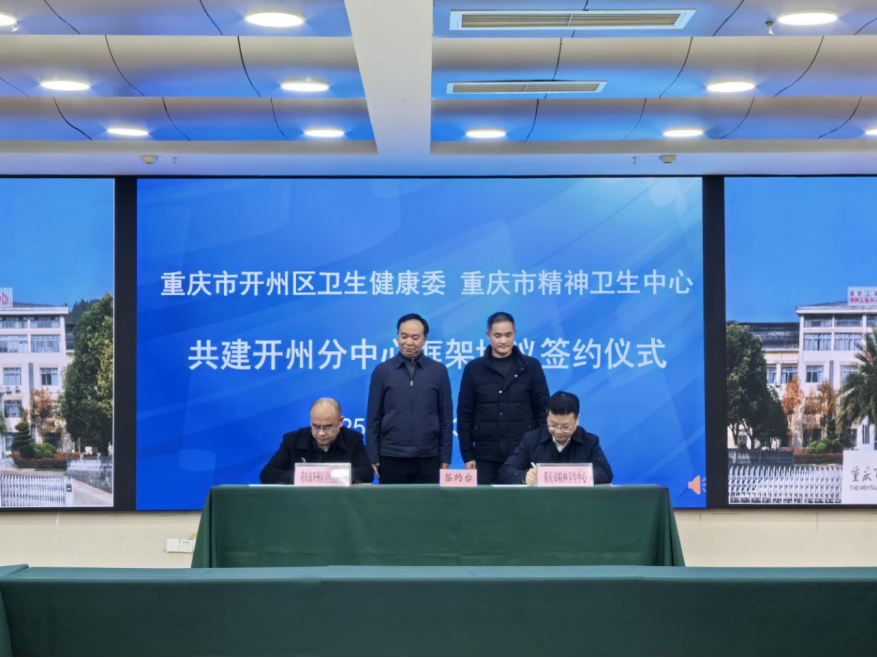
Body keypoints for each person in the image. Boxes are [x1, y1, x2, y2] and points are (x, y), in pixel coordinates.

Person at [457, 311, 550, 484]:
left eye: (508, 335)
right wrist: (468, 455)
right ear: (488, 335)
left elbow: (543, 412)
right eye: (497, 335)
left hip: (523, 455)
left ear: (515, 333)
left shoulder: (531, 367)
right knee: (487, 501)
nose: (503, 341)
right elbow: (465, 415)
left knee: (521, 501)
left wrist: (540, 451)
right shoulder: (473, 369)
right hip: (485, 456)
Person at [366, 313, 453, 484]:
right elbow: (373, 418)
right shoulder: (382, 371)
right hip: (391, 455)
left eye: (415, 337)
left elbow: (446, 418)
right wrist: (372, 455)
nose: (408, 342)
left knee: (426, 501)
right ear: (397, 335)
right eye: (404, 336)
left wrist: (445, 456)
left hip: (428, 456)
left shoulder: (438, 371)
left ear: (425, 339)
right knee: (393, 501)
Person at [499, 391, 613, 485]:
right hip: (540, 501)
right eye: (553, 425)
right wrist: (524, 477)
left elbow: (605, 473)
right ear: (547, 416)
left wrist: (575, 475)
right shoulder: (531, 439)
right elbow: (506, 471)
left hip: (577, 501)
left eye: (565, 427)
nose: (558, 431)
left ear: (577, 419)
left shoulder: (589, 441)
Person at [260, 398, 373, 484]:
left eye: (328, 427)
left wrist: (332, 476)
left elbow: (367, 473)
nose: (321, 433)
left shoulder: (353, 439)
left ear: (340, 421)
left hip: (340, 501)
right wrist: (301, 477)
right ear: (310, 421)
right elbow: (267, 473)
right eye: (316, 426)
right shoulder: (293, 440)